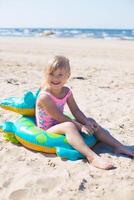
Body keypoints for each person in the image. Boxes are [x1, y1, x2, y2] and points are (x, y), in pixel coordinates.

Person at [36, 55, 134, 170]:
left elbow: (75, 110)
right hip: (48, 128)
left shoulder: (67, 91)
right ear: (45, 74)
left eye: (60, 75)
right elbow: (59, 116)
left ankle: (119, 146)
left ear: (68, 76)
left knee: (91, 121)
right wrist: (80, 126)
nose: (55, 78)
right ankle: (91, 157)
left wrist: (86, 122)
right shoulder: (44, 97)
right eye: (51, 74)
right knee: (69, 126)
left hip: (60, 123)